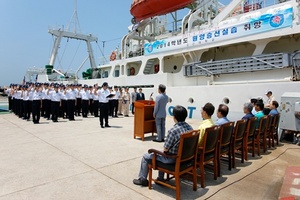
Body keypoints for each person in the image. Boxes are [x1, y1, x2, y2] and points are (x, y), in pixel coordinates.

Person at [133, 105, 193, 186]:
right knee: (161, 153)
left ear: (174, 117)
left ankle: (142, 179)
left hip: (172, 159)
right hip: (184, 158)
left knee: (146, 156)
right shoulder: (190, 128)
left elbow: (165, 149)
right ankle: (160, 178)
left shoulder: (173, 131)